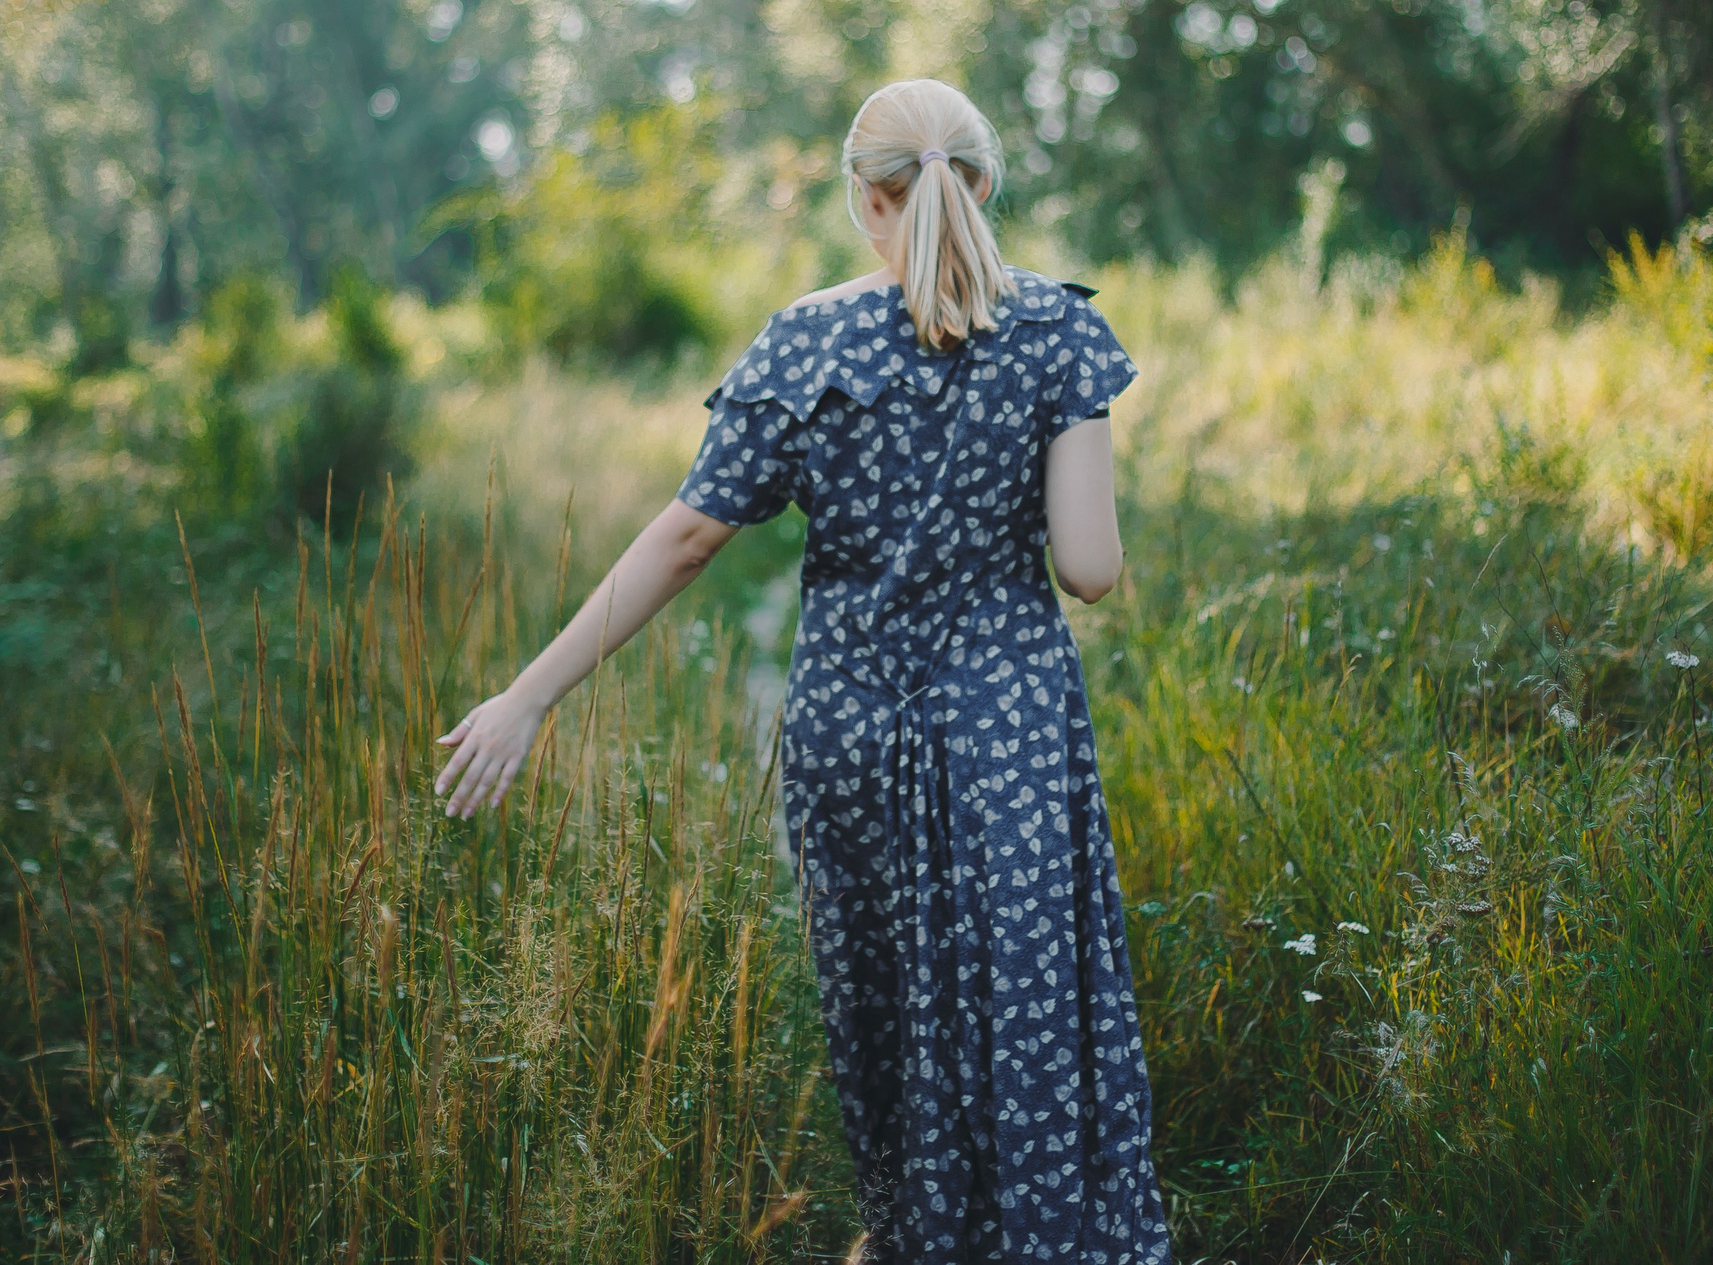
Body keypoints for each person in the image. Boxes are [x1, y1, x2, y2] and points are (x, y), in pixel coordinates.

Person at [433, 77, 1173, 1263]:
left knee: (886, 1002)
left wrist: (529, 697)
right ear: (983, 183)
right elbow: (1088, 569)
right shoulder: (1057, 331)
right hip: (1013, 726)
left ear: (863, 200)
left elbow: (686, 540)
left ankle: (919, 1235)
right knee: (1027, 992)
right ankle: (1049, 1237)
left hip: (853, 727)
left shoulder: (805, 341)